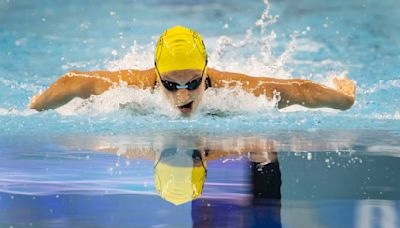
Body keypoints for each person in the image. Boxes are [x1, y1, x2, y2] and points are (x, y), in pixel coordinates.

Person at [29, 26, 356, 115]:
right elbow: (71, 82)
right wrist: (35, 107)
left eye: (194, 83)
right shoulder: (133, 86)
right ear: (156, 74)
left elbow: (297, 89)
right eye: (170, 85)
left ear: (206, 71)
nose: (183, 94)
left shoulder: (232, 89)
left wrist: (344, 97)